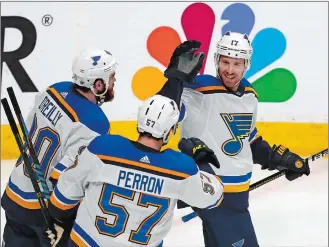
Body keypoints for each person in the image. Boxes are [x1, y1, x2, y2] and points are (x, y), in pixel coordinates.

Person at [161, 34, 311, 247]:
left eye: (236, 64)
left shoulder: (249, 94)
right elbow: (162, 113)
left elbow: (247, 140)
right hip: (214, 195)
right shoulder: (199, 89)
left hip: (237, 198)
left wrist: (279, 159)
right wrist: (176, 78)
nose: (229, 70)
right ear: (216, 60)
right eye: (225, 62)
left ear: (246, 64)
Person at [46, 94, 224, 247]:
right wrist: (200, 161)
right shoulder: (182, 168)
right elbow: (214, 197)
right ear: (170, 131)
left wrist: (61, 222)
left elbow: (62, 199)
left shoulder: (103, 148)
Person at [1, 48, 118, 247]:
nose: (114, 82)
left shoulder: (54, 89)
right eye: (111, 77)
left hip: (14, 194)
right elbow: (64, 177)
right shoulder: (95, 122)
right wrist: (63, 220)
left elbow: (28, 132)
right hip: (43, 213)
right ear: (99, 84)